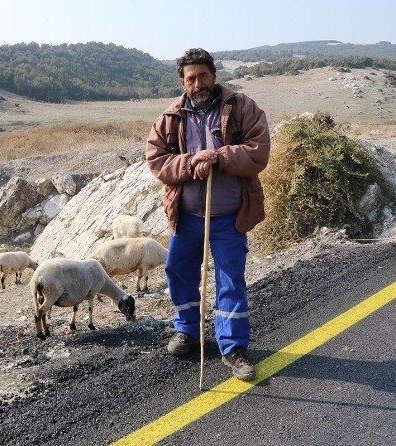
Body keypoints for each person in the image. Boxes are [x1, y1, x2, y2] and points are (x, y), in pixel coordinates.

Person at [145, 48, 270, 380]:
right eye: (191, 78)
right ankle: (187, 330)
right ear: (182, 82)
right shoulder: (170, 118)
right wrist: (190, 163)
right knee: (179, 272)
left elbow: (259, 151)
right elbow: (157, 160)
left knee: (231, 280)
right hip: (186, 217)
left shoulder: (242, 108)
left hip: (229, 215)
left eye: (203, 76)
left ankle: (233, 347)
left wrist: (218, 156)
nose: (198, 83)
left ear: (213, 75)